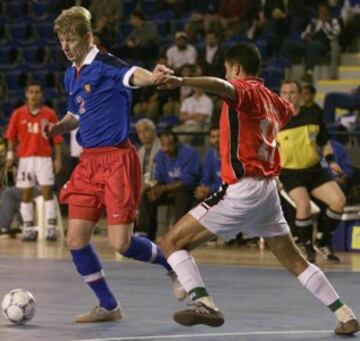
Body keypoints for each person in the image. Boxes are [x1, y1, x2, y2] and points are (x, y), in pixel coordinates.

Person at [157, 43, 359, 335]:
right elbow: (288, 109)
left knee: (171, 242)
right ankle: (345, 315)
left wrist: (181, 81)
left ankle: (204, 303)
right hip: (268, 192)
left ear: (236, 69)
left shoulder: (247, 92)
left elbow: (219, 85)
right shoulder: (275, 101)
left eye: (228, 70)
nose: (227, 76)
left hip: (243, 188)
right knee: (295, 261)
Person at [44, 6, 185, 323]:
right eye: (61, 40)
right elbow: (75, 116)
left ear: (88, 36)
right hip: (88, 162)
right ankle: (109, 306)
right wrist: (56, 128)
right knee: (75, 239)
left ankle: (172, 264)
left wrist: (154, 77)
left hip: (117, 160)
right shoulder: (72, 73)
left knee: (121, 243)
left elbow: (134, 74)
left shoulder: (106, 64)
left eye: (71, 39)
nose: (65, 46)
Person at [277, 81, 347, 264]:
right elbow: (266, 151)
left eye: (292, 92)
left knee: (338, 201)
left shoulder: (314, 114)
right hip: (289, 172)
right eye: (284, 92)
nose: (288, 96)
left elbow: (324, 142)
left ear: (300, 94)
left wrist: (331, 162)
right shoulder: (274, 120)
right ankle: (308, 248)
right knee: (303, 205)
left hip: (314, 169)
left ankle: (323, 240)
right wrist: (273, 177)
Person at [5, 81, 63, 242]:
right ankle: (29, 229)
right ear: (26, 94)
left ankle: (51, 229)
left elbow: (57, 139)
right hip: (25, 158)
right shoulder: (18, 114)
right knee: (25, 193)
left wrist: (57, 159)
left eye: (37, 92)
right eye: (31, 92)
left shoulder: (49, 114)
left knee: (47, 191)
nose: (34, 95)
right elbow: (11, 136)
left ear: (41, 94)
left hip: (44, 157)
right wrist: (10, 156)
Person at [137, 130, 202, 241]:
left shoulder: (189, 153)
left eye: (169, 145)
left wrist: (164, 188)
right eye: (163, 145)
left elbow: (189, 180)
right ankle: (147, 234)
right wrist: (155, 188)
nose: (166, 149)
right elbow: (159, 177)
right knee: (147, 195)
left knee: (183, 193)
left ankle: (178, 236)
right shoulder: (161, 155)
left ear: (177, 143)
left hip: (186, 188)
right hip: (167, 187)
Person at [194, 125, 221, 202]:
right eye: (213, 137)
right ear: (209, 139)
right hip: (212, 191)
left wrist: (210, 189)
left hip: (229, 193)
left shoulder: (232, 155)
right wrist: (203, 187)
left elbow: (230, 183)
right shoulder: (210, 153)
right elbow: (206, 176)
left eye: (219, 136)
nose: (216, 140)